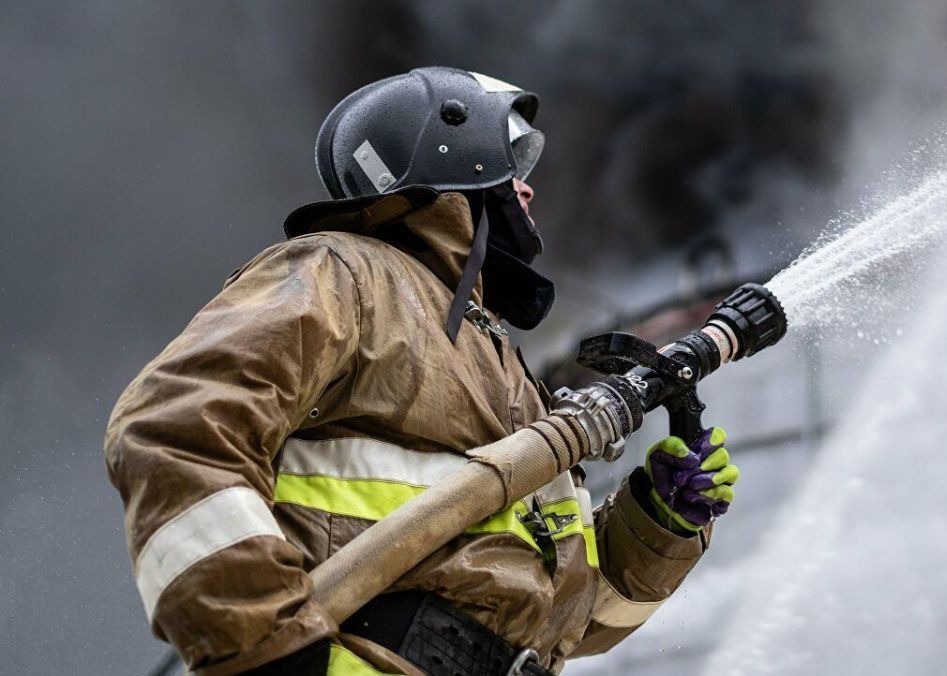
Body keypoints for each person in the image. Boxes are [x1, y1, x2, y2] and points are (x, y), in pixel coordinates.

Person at [104, 67, 740, 676]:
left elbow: (562, 619)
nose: (529, 186)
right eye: (513, 159)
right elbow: (174, 427)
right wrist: (264, 648)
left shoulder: (503, 365)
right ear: (455, 150)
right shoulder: (342, 273)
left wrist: (660, 524)